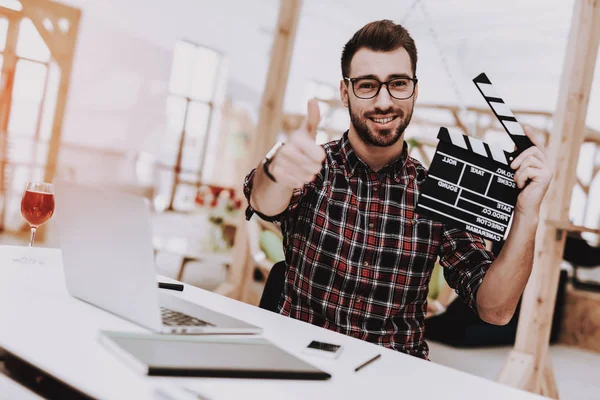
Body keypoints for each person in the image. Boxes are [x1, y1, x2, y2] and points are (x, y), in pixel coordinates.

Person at [242, 20, 553, 360]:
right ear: (345, 92)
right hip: (299, 361)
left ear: (415, 90)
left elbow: (496, 309)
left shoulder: (437, 192)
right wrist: (276, 169)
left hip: (395, 377)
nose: (384, 101)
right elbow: (265, 200)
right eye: (367, 86)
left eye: (398, 84)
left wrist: (528, 212)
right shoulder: (314, 166)